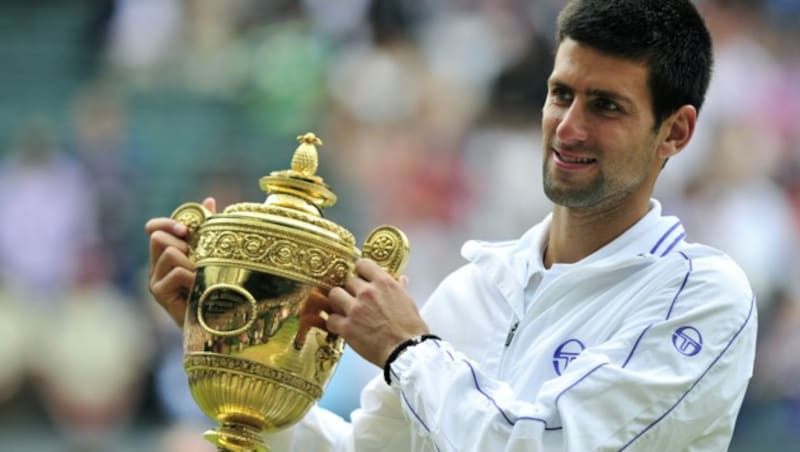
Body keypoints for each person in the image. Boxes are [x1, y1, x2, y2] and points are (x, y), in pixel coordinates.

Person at [146, 0, 757, 450]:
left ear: (675, 132)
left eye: (607, 105)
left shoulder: (702, 295)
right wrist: (236, 342)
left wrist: (406, 349)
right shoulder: (471, 291)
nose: (568, 127)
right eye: (560, 94)